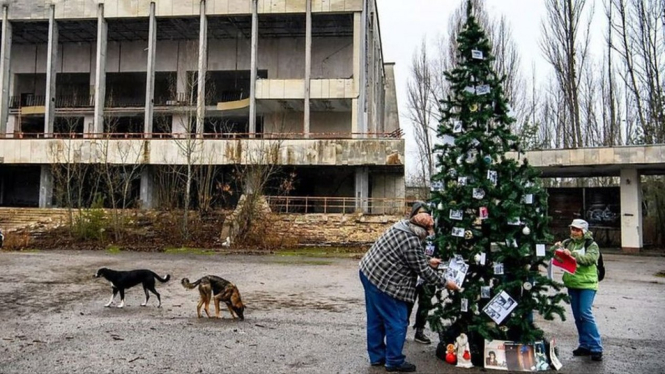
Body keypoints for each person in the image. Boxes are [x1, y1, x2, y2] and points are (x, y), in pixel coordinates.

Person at [359, 211, 458, 372]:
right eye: (428, 232)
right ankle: (394, 361)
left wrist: (427, 260)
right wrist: (447, 283)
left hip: (368, 272)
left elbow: (406, 255)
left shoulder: (401, 226)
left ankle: (377, 357)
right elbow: (424, 272)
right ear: (420, 230)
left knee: (376, 318)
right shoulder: (412, 240)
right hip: (383, 282)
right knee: (398, 321)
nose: (428, 235)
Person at [554, 218, 603, 362]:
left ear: (584, 231)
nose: (574, 232)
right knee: (577, 316)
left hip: (587, 284)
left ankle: (596, 347)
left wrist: (572, 254)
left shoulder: (591, 244)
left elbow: (589, 259)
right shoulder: (567, 242)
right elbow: (558, 257)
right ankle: (584, 345)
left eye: (577, 229)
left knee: (585, 313)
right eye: (572, 229)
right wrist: (556, 249)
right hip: (572, 283)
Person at [406, 201, 437, 345]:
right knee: (407, 303)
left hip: (428, 273)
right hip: (412, 273)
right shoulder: (409, 229)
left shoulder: (434, 232)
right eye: (420, 213)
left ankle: (419, 331)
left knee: (425, 303)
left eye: (426, 213)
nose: (423, 216)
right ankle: (400, 329)